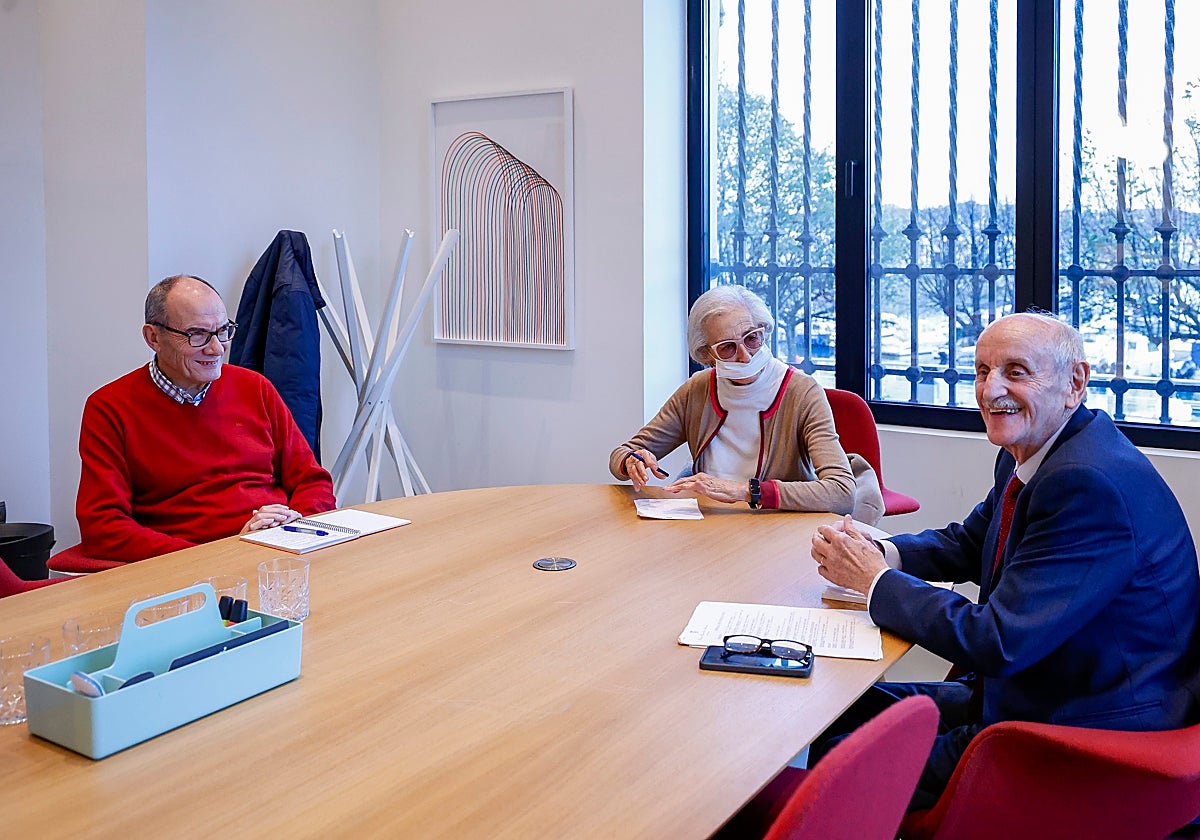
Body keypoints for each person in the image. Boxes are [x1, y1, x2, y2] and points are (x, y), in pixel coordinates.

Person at [809, 311, 1200, 810]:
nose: (991, 390)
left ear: (1074, 382)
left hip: (1084, 725)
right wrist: (885, 550)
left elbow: (994, 640)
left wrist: (876, 582)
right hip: (1034, 689)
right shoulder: (1043, 448)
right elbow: (972, 542)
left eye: (1015, 372)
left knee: (840, 765)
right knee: (837, 712)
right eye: (981, 370)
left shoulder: (1087, 484)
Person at [76, 275, 336, 562]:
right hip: (187, 567)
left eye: (223, 331)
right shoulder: (109, 408)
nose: (217, 349)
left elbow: (312, 481)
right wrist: (219, 554)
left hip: (276, 551)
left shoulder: (255, 388)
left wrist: (292, 531)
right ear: (154, 338)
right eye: (196, 335)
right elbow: (102, 527)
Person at [609, 285, 883, 521]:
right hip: (707, 520)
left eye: (752, 338)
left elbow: (841, 492)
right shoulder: (698, 389)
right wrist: (630, 460)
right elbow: (624, 453)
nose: (745, 356)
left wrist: (746, 491)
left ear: (764, 331)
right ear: (706, 354)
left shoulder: (802, 392)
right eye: (728, 347)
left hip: (774, 525)